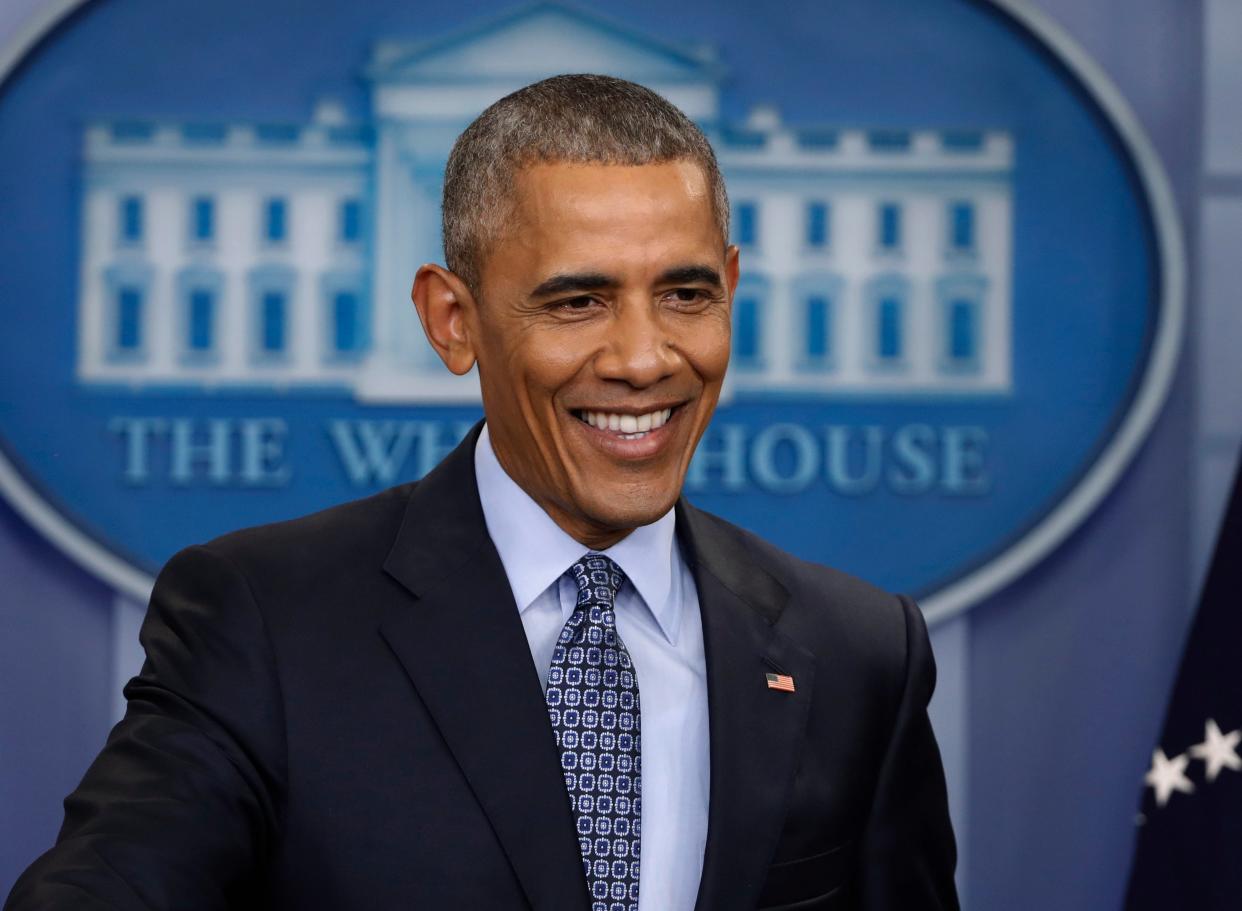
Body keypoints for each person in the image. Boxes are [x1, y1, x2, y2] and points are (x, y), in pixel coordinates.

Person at [6, 74, 958, 911]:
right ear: (451, 320)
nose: (643, 357)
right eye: (577, 300)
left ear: (732, 292)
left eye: (686, 294)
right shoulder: (262, 619)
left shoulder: (859, 654)